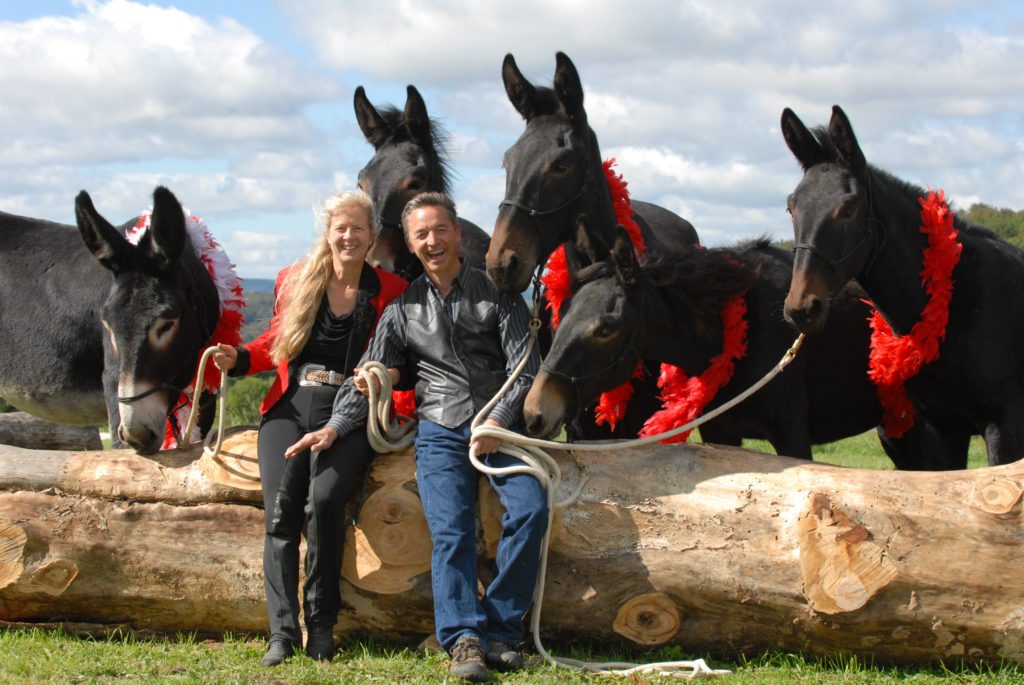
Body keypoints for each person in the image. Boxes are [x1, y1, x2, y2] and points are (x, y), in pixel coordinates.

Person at [286, 192, 546, 683]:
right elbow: (369, 374)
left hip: (499, 425)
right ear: (409, 244)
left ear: (457, 234)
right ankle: (464, 639)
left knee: (531, 510)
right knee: (450, 530)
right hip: (441, 431)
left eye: (439, 230)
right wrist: (336, 425)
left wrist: (498, 420)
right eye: (421, 234)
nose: (432, 241)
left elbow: (524, 371)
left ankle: (503, 631)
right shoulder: (402, 309)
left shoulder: (500, 295)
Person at [211, 190, 407, 666]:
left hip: (351, 411)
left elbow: (401, 358)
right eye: (340, 227)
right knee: (280, 516)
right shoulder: (294, 280)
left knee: (323, 503)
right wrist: (237, 359)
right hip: (289, 405)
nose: (348, 236)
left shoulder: (391, 290)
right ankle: (282, 632)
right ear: (328, 232)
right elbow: (274, 343)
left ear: (371, 237)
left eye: (357, 228)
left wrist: (395, 401)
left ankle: (322, 624)